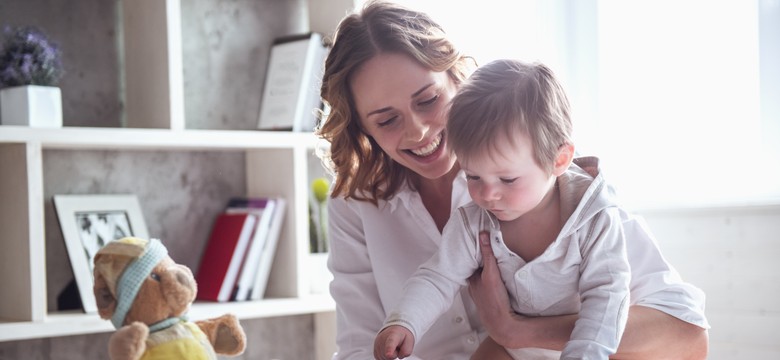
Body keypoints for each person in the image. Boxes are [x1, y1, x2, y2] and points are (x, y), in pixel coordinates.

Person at [316, 1, 710, 359]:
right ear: (362, 128)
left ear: (457, 80)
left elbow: (687, 337)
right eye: (386, 120)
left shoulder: (556, 185)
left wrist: (517, 331)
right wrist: (401, 324)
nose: (418, 131)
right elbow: (359, 347)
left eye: (428, 100)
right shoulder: (355, 204)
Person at [374, 59, 633, 360]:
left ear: (559, 160)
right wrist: (404, 322)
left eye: (507, 179)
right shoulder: (473, 223)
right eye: (472, 176)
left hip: (578, 348)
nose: (487, 194)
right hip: (508, 350)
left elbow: (607, 299)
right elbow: (438, 277)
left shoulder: (596, 218)